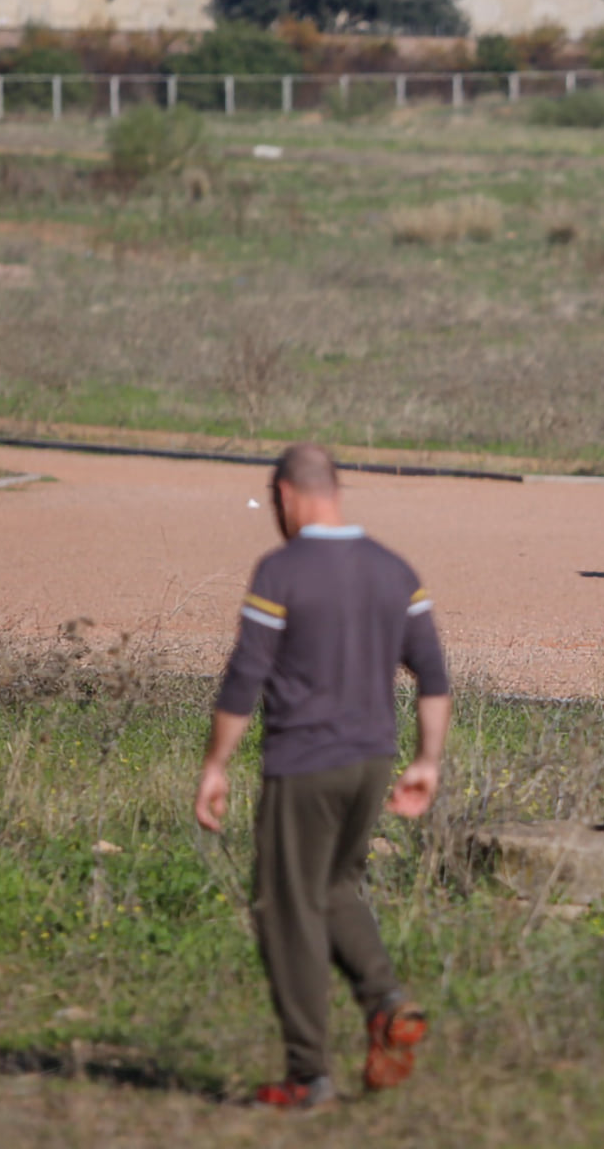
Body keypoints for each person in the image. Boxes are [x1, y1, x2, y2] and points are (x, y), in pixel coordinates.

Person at [194, 443, 452, 1110]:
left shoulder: (282, 571)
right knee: (335, 884)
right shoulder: (394, 570)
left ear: (284, 494)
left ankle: (307, 1075)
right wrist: (427, 761)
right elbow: (433, 674)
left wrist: (215, 765)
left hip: (304, 764)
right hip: (372, 763)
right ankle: (386, 1005)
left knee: (286, 905)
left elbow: (246, 674)